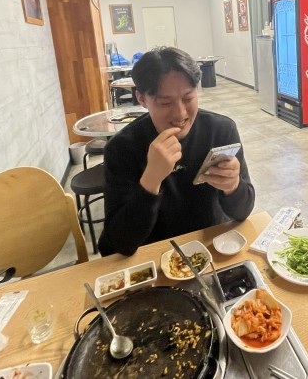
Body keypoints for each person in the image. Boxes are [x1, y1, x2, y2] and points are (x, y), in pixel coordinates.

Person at [98, 47, 255, 256]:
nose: (180, 113)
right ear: (142, 99)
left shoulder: (221, 130)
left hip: (211, 248)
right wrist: (151, 179)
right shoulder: (122, 148)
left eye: (188, 98)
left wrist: (233, 186)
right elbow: (120, 243)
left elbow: (244, 211)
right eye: (165, 102)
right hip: (155, 256)